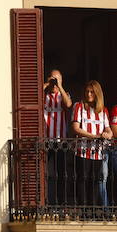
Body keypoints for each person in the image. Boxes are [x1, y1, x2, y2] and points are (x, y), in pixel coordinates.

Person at [71, 80, 112, 206]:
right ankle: (83, 210)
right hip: (82, 151)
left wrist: (108, 134)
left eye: (92, 92)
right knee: (83, 180)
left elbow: (108, 128)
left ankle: (92, 210)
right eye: (87, 92)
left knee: (95, 181)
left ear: (97, 94)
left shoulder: (103, 110)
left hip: (98, 152)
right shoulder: (79, 106)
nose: (89, 94)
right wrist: (94, 136)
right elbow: (76, 128)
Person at [43, 69, 72, 204]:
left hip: (61, 141)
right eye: (52, 79)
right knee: (47, 173)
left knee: (61, 174)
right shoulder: (43, 95)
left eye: (57, 79)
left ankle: (61, 203)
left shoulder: (64, 95)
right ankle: (48, 202)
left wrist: (59, 86)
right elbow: (32, 97)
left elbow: (68, 104)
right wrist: (45, 84)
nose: (54, 82)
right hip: (46, 140)